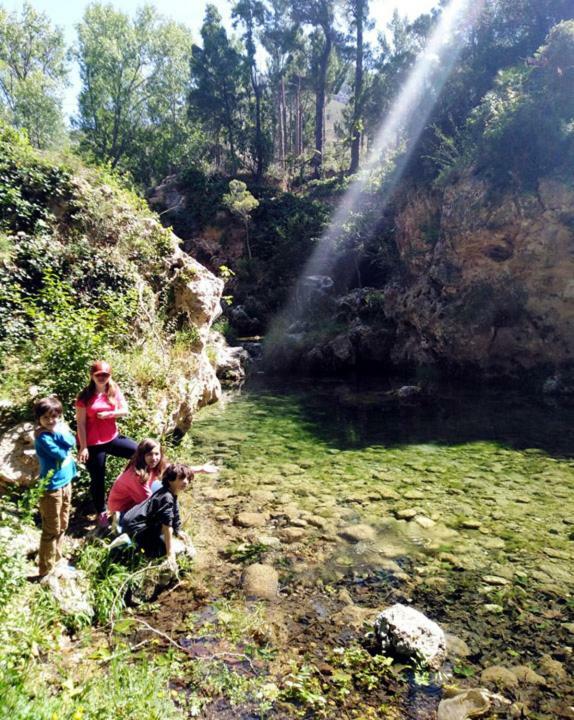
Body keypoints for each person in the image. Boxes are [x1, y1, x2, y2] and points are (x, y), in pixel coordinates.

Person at [75, 360, 137, 527]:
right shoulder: (84, 397)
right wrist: (83, 446)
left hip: (112, 438)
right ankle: (101, 512)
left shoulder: (113, 389)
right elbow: (80, 423)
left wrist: (109, 414)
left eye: (105, 375)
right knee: (98, 478)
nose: (102, 377)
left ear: (110, 375)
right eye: (98, 375)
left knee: (139, 453)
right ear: (92, 376)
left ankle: (130, 488)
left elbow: (125, 410)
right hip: (92, 443)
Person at [34, 396, 76, 577]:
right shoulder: (43, 437)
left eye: (54, 417)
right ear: (39, 419)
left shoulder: (56, 429)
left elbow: (72, 442)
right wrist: (59, 433)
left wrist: (60, 433)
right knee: (51, 528)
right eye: (46, 418)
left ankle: (57, 561)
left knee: (63, 524)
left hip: (66, 483)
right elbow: (59, 453)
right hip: (51, 488)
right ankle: (45, 570)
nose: (51, 421)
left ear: (60, 416)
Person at [121, 463, 194, 561]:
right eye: (181, 478)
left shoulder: (168, 491)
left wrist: (178, 530)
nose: (185, 482)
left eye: (188, 479)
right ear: (170, 479)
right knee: (163, 551)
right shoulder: (166, 497)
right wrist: (170, 554)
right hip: (135, 528)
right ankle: (132, 546)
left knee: (167, 537)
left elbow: (175, 512)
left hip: (132, 522)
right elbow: (167, 527)